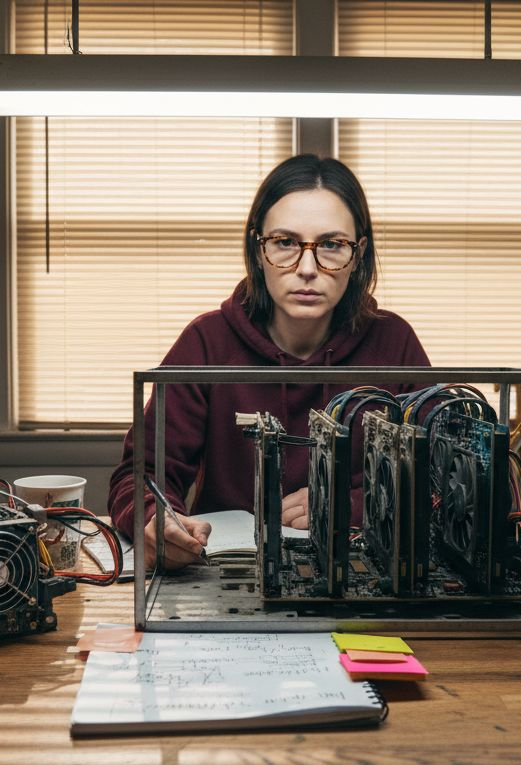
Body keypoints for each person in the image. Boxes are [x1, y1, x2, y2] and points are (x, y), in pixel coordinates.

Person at [107, 154, 431, 569]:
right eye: (285, 243)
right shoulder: (207, 342)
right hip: (227, 575)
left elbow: (440, 482)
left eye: (332, 245)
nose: (308, 268)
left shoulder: (394, 343)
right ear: (257, 248)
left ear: (359, 253)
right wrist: (155, 520)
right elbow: (140, 474)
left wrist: (350, 507)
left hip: (364, 576)